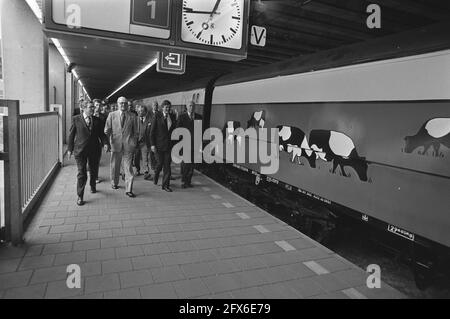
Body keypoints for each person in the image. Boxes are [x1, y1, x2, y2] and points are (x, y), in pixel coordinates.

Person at [67, 101, 108, 206]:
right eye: (90, 107)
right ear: (83, 108)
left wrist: (105, 144)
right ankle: (80, 196)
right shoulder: (76, 119)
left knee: (94, 170)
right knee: (82, 173)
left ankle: (93, 185)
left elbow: (102, 135)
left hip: (94, 150)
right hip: (80, 151)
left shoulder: (97, 120)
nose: (93, 109)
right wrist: (69, 149)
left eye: (93, 107)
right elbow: (71, 135)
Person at [104, 96, 139, 198]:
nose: (123, 105)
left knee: (128, 168)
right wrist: (108, 140)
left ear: (127, 104)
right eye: (121, 103)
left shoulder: (132, 116)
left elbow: (136, 132)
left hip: (128, 145)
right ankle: (114, 183)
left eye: (125, 103)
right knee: (115, 166)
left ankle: (129, 189)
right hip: (115, 145)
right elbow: (107, 129)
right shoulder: (112, 115)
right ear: (117, 104)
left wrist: (133, 143)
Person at [150, 100, 177, 192]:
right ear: (162, 108)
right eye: (166, 107)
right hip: (158, 146)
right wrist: (152, 144)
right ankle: (156, 175)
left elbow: (174, 131)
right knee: (159, 164)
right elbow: (152, 132)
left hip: (168, 146)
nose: (167, 109)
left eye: (169, 107)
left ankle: (165, 185)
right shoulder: (157, 116)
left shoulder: (172, 117)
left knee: (167, 166)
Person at [176, 100, 203, 188]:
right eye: (190, 106)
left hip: (195, 145)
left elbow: (200, 132)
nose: (191, 108)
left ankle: (189, 181)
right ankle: (184, 181)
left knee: (192, 165)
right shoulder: (182, 117)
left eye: (193, 106)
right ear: (187, 107)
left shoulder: (199, 117)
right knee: (185, 164)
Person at [134, 105, 152, 180]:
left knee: (145, 158)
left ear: (145, 112)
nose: (140, 112)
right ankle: (137, 169)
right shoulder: (135, 119)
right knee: (136, 158)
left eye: (142, 111)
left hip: (145, 142)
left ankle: (146, 172)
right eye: (139, 111)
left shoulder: (149, 120)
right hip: (136, 142)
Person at [93, 99, 108, 183]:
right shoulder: (88, 115)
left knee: (96, 160)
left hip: (98, 142)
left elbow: (103, 132)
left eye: (99, 105)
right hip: (88, 142)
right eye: (96, 105)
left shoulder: (103, 117)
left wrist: (105, 143)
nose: (98, 107)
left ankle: (95, 176)